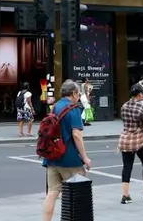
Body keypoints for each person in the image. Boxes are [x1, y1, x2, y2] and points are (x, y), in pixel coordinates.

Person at [41, 79, 91, 221]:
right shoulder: (73, 109)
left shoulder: (55, 106)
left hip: (52, 156)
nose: (79, 96)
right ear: (74, 93)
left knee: (52, 193)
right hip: (69, 159)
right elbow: (76, 135)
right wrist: (85, 158)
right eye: (78, 93)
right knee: (77, 195)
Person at [118, 83, 143, 204]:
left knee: (127, 167)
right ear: (140, 94)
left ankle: (125, 196)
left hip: (125, 139)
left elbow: (123, 120)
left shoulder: (124, 106)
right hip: (139, 139)